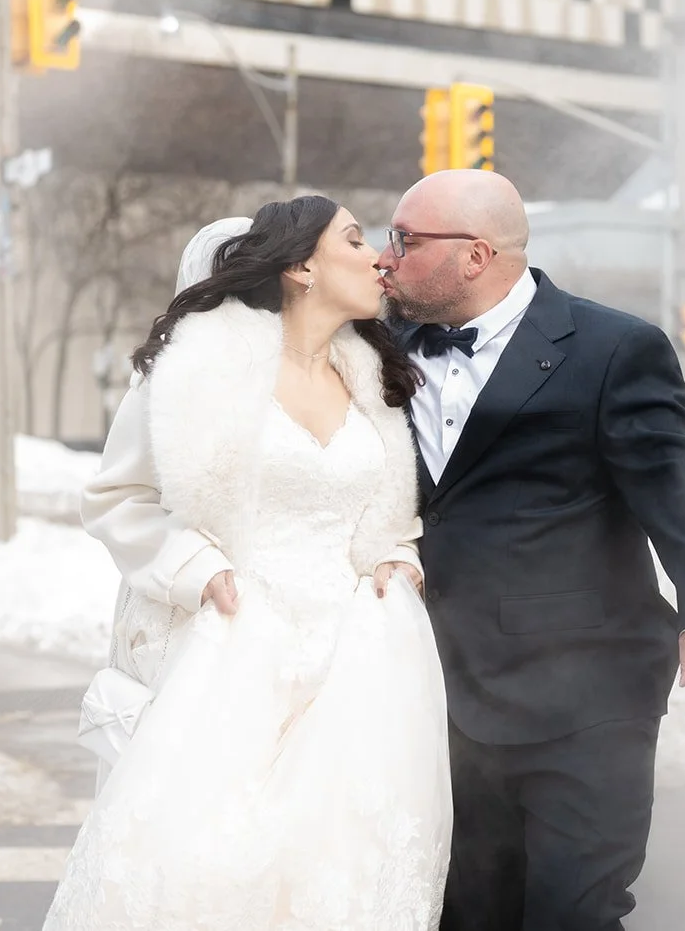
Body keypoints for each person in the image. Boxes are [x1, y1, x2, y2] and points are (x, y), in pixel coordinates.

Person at [44, 196, 452, 930]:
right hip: (236, 646)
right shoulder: (197, 369)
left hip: (361, 659)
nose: (378, 256)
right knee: (207, 865)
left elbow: (384, 507)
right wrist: (195, 567)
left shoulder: (374, 380)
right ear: (300, 267)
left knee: (341, 872)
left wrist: (398, 553)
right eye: (356, 241)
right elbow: (116, 496)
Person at [377, 169, 685, 931]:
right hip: (438, 685)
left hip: (587, 688)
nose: (387, 258)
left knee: (572, 910)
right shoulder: (379, 351)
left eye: (406, 240)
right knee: (467, 910)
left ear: (476, 255)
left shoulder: (613, 347)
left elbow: (676, 477)